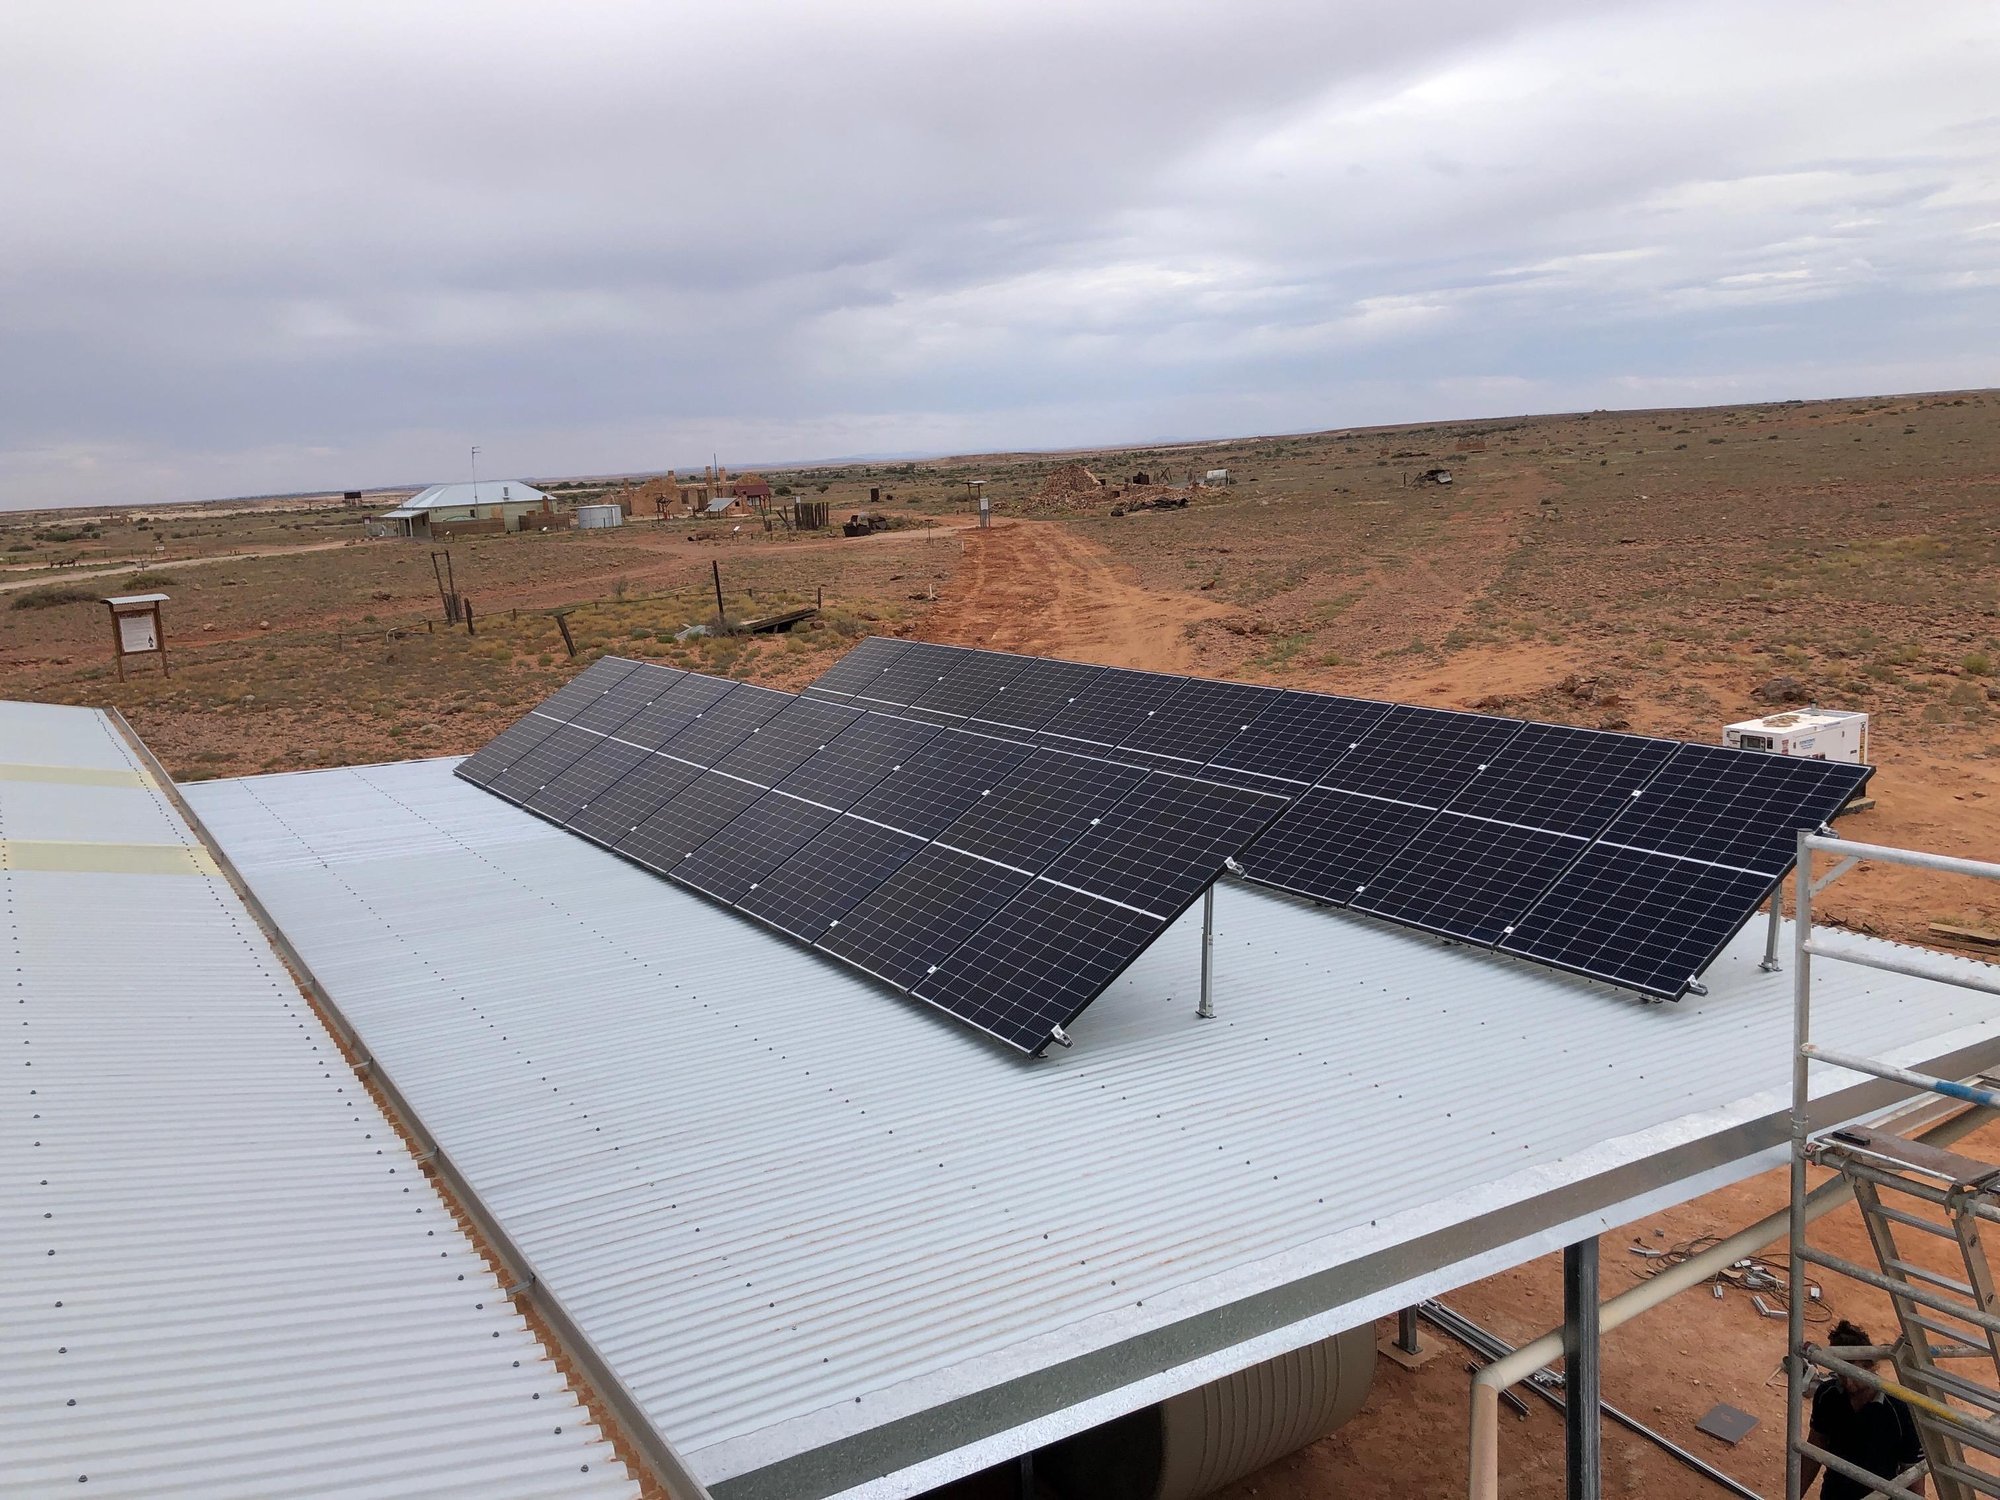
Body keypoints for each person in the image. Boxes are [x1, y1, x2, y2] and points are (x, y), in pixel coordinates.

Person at [1800, 1320, 1926, 1498]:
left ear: (1870, 1366)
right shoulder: (1827, 1395)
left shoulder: (1900, 1410)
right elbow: (1814, 1447)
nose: (1848, 1382)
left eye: (1852, 1373)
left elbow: (1913, 1474)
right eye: (1841, 1373)